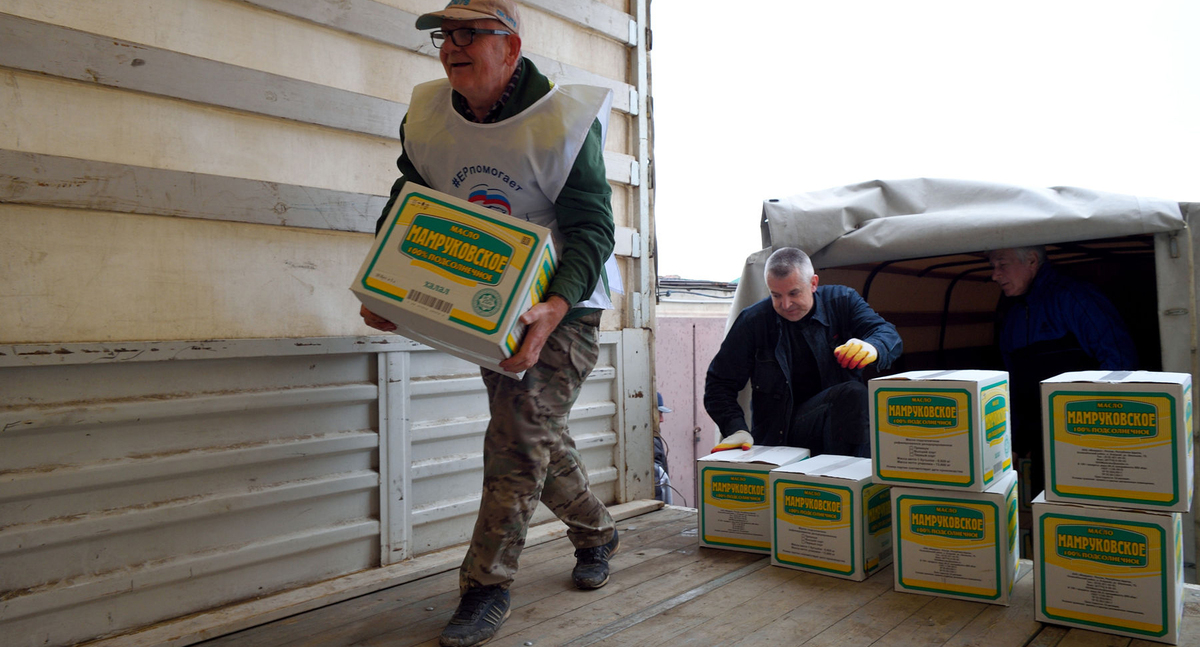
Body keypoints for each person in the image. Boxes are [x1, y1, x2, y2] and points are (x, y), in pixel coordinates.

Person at [358, 2, 619, 645]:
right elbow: (408, 204)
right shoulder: (427, 116)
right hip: (492, 309)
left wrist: (556, 305)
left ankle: (485, 586)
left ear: (510, 46)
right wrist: (384, 284)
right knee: (533, 436)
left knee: (516, 439)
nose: (452, 46)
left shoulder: (563, 120)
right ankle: (598, 532)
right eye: (446, 36)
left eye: (470, 34)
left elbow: (593, 227)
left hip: (565, 308)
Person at [704, 247, 902, 457]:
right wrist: (736, 428)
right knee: (852, 394)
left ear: (813, 283)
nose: (786, 304)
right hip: (779, 437)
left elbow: (886, 333)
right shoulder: (754, 321)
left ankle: (849, 477)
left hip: (841, 429)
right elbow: (719, 384)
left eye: (794, 293)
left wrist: (873, 347)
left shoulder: (842, 301)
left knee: (853, 395)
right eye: (776, 295)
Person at [988, 246, 1137, 499]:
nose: (994, 275)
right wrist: (1012, 442)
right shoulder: (1011, 316)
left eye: (1002, 265)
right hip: (1042, 446)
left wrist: (1102, 430)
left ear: (1032, 260)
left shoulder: (1074, 297)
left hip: (1088, 442)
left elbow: (1119, 361)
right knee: (1046, 515)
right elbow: (1011, 388)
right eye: (993, 267)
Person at [653, 393, 673, 504]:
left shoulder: (654, 438)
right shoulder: (650, 442)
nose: (662, 420)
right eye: (659, 414)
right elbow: (660, 486)